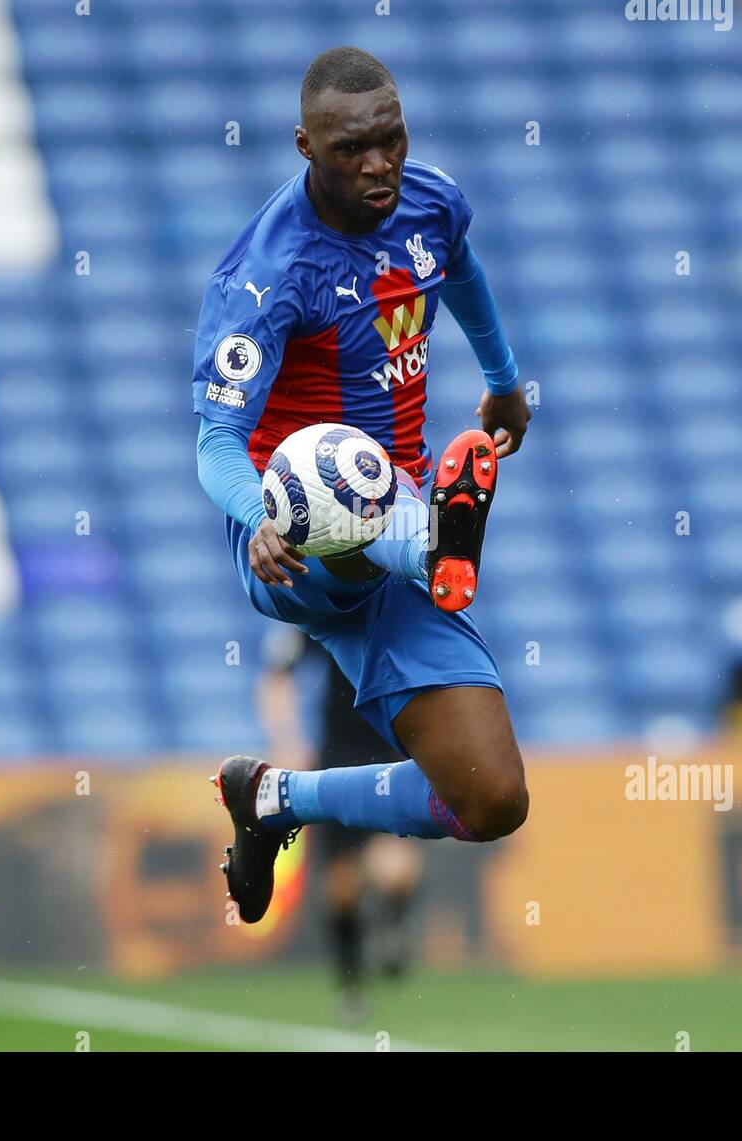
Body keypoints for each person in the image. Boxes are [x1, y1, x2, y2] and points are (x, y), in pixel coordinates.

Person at [193, 46, 533, 924]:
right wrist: (255, 515)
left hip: (406, 525)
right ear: (304, 145)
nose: (380, 163)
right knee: (340, 470)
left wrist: (501, 376)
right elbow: (216, 444)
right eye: (352, 149)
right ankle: (433, 544)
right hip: (292, 539)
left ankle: (273, 800)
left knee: (492, 799)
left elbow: (454, 263)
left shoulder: (428, 200)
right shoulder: (264, 277)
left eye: (392, 139)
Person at [258, 625, 422, 1017]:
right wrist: (286, 739)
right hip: (335, 765)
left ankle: (390, 929)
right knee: (342, 887)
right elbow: (276, 672)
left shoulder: (396, 616)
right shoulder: (324, 615)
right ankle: (351, 987)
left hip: (388, 762)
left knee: (397, 873)